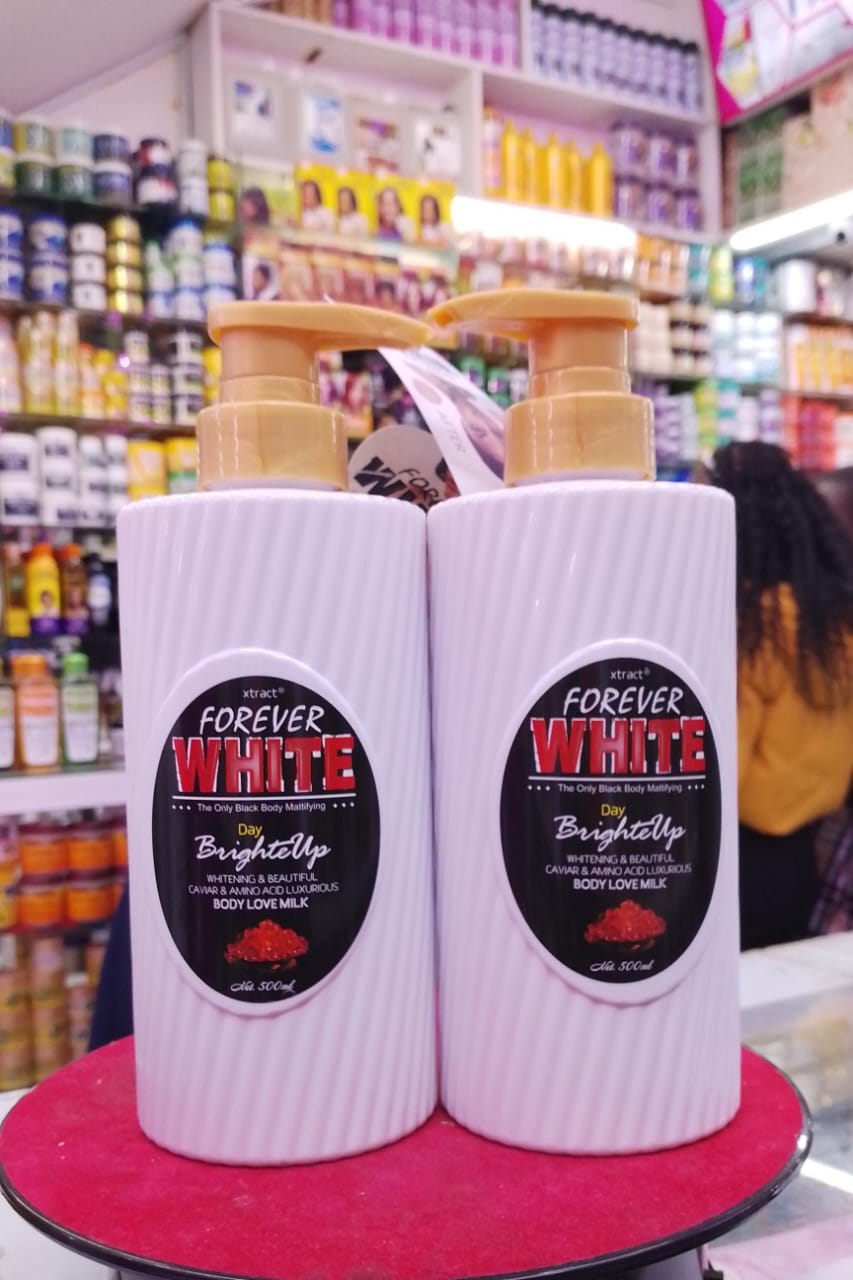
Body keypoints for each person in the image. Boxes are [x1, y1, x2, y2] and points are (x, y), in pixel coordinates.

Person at [710, 442, 853, 949]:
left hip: (744, 857)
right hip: (806, 850)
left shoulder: (754, 623)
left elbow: (725, 754)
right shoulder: (830, 616)